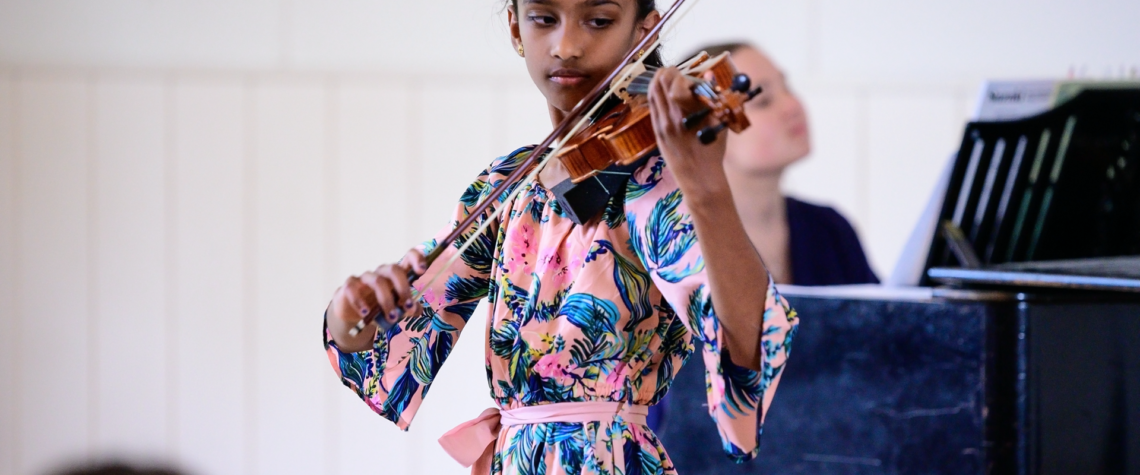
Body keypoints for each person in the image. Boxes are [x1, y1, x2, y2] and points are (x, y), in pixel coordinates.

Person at [323, 2, 798, 475]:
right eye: (544, 18)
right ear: (515, 27)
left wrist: (706, 190)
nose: (567, 46)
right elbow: (390, 343)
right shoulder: (510, 182)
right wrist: (353, 312)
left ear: (643, 33)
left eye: (599, 20)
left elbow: (750, 349)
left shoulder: (651, 187)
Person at [647, 42, 878, 469]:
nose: (792, 106)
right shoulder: (666, 245)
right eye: (763, 99)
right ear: (699, 130)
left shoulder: (829, 230)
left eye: (786, 87)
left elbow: (879, 351)